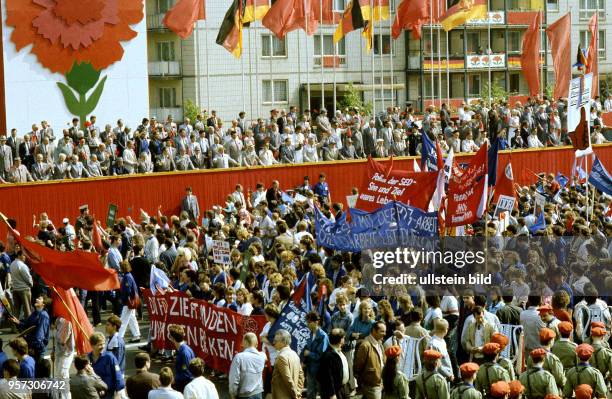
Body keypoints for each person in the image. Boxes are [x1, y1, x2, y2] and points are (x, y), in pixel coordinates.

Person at [9, 295, 50, 360]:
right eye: (37, 298)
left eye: (39, 299)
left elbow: (39, 335)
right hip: (31, 346)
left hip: (37, 349)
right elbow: (26, 326)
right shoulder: (34, 313)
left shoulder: (43, 315)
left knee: (36, 368)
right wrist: (17, 322)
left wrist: (33, 348)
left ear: (43, 304)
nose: (36, 299)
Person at [354, 320, 387, 399]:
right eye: (382, 331)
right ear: (374, 331)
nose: (384, 334)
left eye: (385, 331)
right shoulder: (365, 346)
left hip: (379, 383)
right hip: (371, 386)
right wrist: (365, 381)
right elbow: (357, 367)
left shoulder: (380, 343)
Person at [228, 332, 266, 399]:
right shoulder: (262, 356)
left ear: (244, 342)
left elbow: (234, 379)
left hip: (244, 395)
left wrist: (232, 394)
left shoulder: (239, 357)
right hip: (258, 394)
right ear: (256, 344)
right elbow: (265, 356)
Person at [88, 332, 125, 399]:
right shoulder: (87, 359)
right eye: (99, 345)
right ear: (92, 346)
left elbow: (117, 375)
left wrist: (118, 393)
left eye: (103, 344)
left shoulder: (109, 357)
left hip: (109, 394)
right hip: (93, 393)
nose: (102, 347)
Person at [318, 328, 351, 399]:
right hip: (334, 392)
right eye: (343, 338)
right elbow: (327, 377)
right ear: (341, 340)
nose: (344, 339)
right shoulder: (328, 356)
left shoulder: (339, 352)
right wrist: (332, 394)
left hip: (344, 389)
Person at [271, 329, 304, 399]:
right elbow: (301, 376)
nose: (273, 343)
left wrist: (296, 394)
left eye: (275, 341)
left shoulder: (281, 357)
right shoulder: (295, 354)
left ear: (283, 342)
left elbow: (288, 379)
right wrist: (298, 392)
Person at [304, 311, 329, 399]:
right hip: (310, 368)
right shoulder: (310, 334)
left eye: (309, 322)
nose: (307, 324)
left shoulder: (323, 336)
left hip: (320, 369)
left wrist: (308, 353)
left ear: (316, 322)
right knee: (310, 392)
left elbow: (321, 355)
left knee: (322, 392)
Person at [118, 261, 141, 342]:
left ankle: (119, 337)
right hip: (131, 300)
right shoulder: (129, 275)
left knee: (123, 320)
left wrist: (123, 299)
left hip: (128, 301)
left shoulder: (127, 277)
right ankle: (136, 335)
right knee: (131, 318)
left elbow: (127, 290)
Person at [53, 316, 75, 398]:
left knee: (63, 376)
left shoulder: (66, 322)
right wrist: (53, 350)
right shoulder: (58, 320)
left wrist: (55, 329)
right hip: (59, 352)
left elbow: (63, 340)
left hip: (66, 353)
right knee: (57, 376)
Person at [168, 324, 194, 393]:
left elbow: (187, 373)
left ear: (173, 338)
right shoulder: (182, 349)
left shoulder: (184, 352)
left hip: (184, 386)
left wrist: (174, 379)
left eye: (170, 336)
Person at [9, 250, 33, 319]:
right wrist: (31, 284)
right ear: (19, 255)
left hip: (15, 289)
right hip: (24, 290)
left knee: (16, 309)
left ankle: (14, 327)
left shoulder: (12, 264)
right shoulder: (22, 265)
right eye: (23, 255)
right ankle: (28, 327)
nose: (25, 257)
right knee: (27, 310)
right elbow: (28, 278)